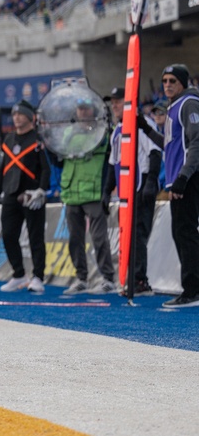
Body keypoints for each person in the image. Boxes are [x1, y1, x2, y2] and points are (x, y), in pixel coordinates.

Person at [104, 87, 160, 296]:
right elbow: (113, 163)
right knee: (127, 235)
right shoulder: (117, 130)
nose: (115, 106)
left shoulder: (141, 124)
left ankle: (140, 280)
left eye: (118, 101)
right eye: (113, 103)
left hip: (140, 184)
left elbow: (155, 151)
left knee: (138, 234)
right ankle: (131, 278)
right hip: (124, 192)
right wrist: (106, 191)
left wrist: (151, 181)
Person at [58, 96, 117, 296]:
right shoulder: (67, 133)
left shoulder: (103, 132)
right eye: (79, 108)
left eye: (86, 108)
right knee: (75, 239)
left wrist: (107, 190)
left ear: (94, 111)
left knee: (99, 238)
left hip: (93, 191)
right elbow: (57, 158)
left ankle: (108, 278)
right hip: (71, 191)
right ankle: (81, 278)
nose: (83, 112)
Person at [0, 101, 51, 293]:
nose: (16, 117)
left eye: (20, 114)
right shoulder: (9, 139)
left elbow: (45, 168)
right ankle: (18, 275)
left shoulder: (38, 139)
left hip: (31, 195)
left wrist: (41, 190)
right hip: (10, 194)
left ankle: (38, 277)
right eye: (14, 114)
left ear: (29, 117)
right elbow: (4, 168)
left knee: (35, 237)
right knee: (8, 235)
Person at [158, 64, 199, 307]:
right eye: (164, 80)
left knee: (185, 233)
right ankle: (192, 287)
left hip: (189, 177)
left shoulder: (188, 104)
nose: (168, 84)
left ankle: (193, 289)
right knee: (181, 233)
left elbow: (196, 142)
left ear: (183, 82)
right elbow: (172, 146)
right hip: (178, 179)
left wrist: (184, 176)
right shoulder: (173, 108)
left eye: (173, 80)